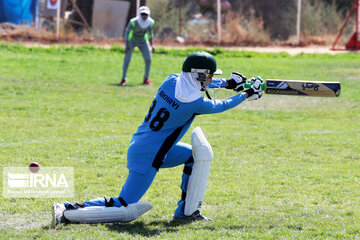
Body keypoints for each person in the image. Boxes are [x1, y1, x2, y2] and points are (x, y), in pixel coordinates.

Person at [52, 51, 263, 226]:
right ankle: (68, 209)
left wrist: (226, 83)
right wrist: (245, 94)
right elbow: (221, 106)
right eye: (208, 76)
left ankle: (186, 212)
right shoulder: (194, 103)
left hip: (148, 145)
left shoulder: (171, 80)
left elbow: (196, 84)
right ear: (198, 75)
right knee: (124, 203)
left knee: (193, 156)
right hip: (149, 155)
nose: (210, 80)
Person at [120, 6, 155, 86]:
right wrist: (127, 45)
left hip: (143, 41)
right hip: (132, 41)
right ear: (140, 14)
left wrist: (152, 44)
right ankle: (123, 78)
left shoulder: (150, 22)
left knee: (148, 59)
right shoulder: (133, 22)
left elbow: (150, 34)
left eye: (146, 14)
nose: (144, 16)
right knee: (127, 59)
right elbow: (127, 32)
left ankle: (146, 79)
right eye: (142, 14)